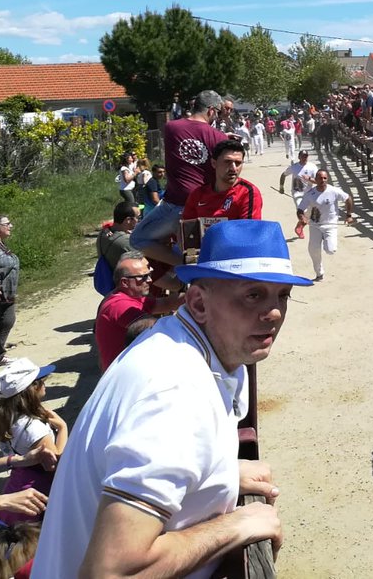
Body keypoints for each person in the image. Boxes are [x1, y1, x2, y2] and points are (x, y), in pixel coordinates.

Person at [33, 220, 306, 578]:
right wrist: (237, 526)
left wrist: (219, 474)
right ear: (198, 302)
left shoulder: (178, 346)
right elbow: (112, 572)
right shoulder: (174, 392)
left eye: (281, 295)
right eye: (252, 294)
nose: (273, 313)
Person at [131, 91, 229, 269]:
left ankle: (183, 265)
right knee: (197, 251)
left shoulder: (171, 128)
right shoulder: (219, 138)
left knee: (138, 239)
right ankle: (191, 267)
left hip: (174, 203)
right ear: (212, 111)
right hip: (202, 204)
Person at [0, 359, 67, 525]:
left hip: (16, 484)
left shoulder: (5, 415)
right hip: (35, 492)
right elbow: (54, 464)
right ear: (32, 389)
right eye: (41, 381)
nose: (45, 385)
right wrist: (63, 428)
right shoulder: (33, 428)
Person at [94, 251, 183, 371]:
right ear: (125, 282)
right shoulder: (120, 305)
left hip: (130, 366)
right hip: (122, 375)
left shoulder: (133, 295)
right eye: (143, 277)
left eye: (149, 274)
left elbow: (166, 303)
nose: (150, 280)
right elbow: (155, 329)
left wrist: (194, 294)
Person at [181, 139, 263, 225]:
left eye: (238, 163)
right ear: (214, 163)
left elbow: (250, 231)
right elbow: (186, 228)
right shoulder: (198, 194)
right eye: (227, 162)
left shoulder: (248, 193)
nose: (233, 168)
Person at [296, 169, 354, 283]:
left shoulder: (334, 191)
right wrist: (302, 218)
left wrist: (349, 215)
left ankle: (326, 243)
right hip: (315, 225)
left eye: (324, 178)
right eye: (320, 178)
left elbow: (348, 198)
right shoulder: (310, 194)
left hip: (330, 225)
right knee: (313, 250)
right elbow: (300, 209)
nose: (322, 180)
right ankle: (319, 273)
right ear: (315, 180)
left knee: (330, 250)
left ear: (327, 179)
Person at [0, 216, 21, 369]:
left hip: (7, 293)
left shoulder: (0, 244)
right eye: (7, 223)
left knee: (8, 320)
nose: (11, 225)